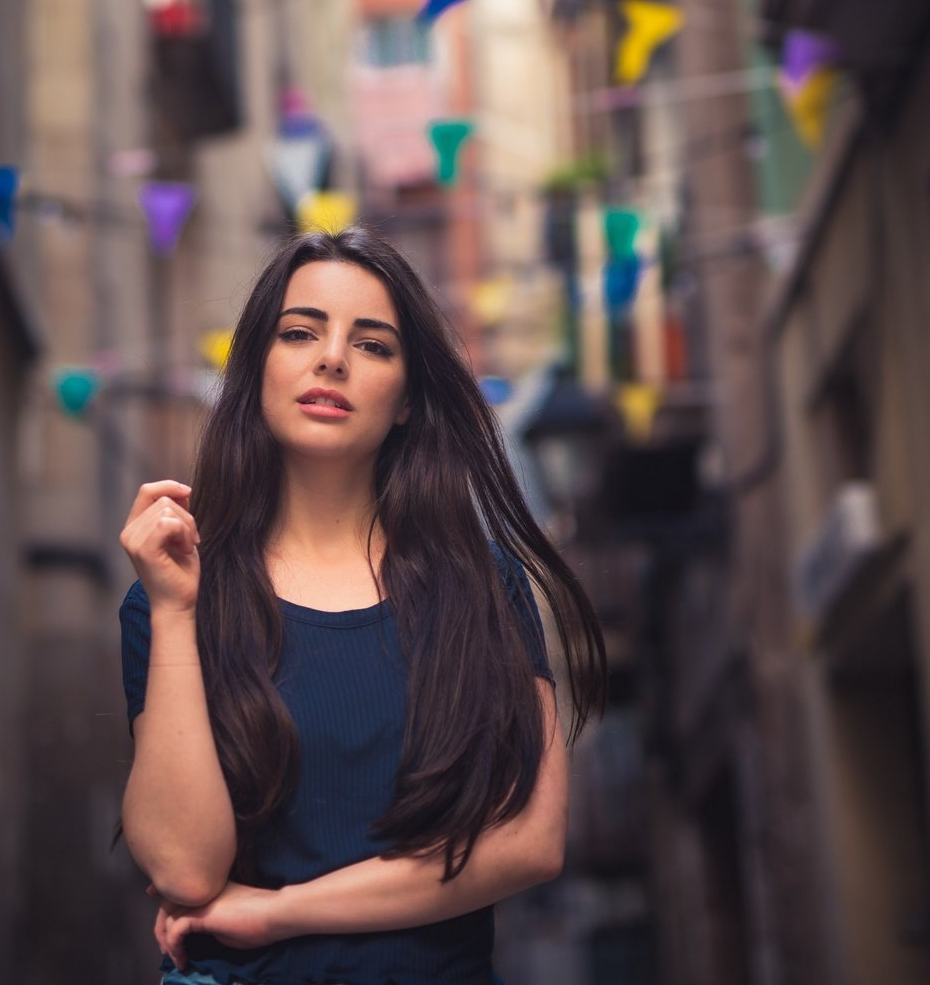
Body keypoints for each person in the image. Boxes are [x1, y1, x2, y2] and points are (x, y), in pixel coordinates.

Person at [117, 225, 606, 984]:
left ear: (408, 398)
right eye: (299, 332)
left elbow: (530, 842)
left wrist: (279, 911)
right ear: (258, 369)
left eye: (373, 345)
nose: (333, 358)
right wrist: (178, 609)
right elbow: (184, 870)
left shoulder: (483, 589)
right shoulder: (172, 595)